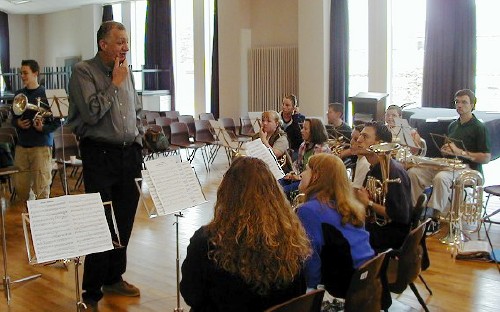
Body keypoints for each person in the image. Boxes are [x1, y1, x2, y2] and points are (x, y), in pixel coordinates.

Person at [67, 21, 143, 309]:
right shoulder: (83, 72)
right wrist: (114, 83)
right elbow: (90, 113)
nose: (126, 46)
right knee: (100, 223)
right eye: (120, 41)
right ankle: (91, 291)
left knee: (124, 220)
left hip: (129, 154)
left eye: (127, 41)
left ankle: (114, 277)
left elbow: (135, 109)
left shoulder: (126, 71)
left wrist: (139, 137)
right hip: (100, 155)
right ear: (103, 44)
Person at [180, 156, 311, 311]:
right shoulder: (289, 237)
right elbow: (299, 292)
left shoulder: (207, 241)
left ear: (227, 193)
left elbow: (191, 295)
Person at [296, 153, 375, 297]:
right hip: (366, 282)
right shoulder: (350, 206)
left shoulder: (309, 210)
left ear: (316, 176)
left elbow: (310, 257)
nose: (301, 174)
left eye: (306, 169)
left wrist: (309, 293)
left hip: (340, 287)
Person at [408, 89, 491, 221]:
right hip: (450, 165)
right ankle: (416, 211)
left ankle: (435, 216)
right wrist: (446, 150)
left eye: (464, 102)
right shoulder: (453, 125)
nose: (459, 105)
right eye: (457, 102)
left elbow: (486, 157)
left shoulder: (479, 127)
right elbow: (450, 151)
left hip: (468, 169)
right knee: (414, 172)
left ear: (472, 105)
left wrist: (461, 152)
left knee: (441, 178)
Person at [354, 121, 412, 252]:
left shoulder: (392, 172)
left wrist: (368, 203)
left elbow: (399, 215)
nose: (359, 139)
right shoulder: (374, 169)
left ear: (378, 144)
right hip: (379, 227)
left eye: (365, 136)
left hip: (389, 234)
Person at [11, 59, 60, 201]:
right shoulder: (19, 94)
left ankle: (41, 220)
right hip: (22, 146)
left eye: (25, 73)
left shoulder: (48, 94)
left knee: (42, 187)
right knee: (21, 188)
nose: (22, 76)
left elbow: (58, 121)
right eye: (21, 73)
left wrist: (43, 127)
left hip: (41, 146)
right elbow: (13, 118)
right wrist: (18, 123)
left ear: (35, 73)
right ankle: (29, 217)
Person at [280, 118, 330, 197]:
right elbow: (297, 165)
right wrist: (292, 174)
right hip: (300, 179)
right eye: (302, 128)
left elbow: (315, 175)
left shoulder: (322, 149)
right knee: (277, 183)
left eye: (305, 129)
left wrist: (299, 177)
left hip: (310, 184)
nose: (301, 131)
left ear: (314, 132)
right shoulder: (303, 145)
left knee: (282, 191)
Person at [280, 94, 305, 160]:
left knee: (293, 157)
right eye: (283, 104)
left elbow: (300, 139)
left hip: (294, 149)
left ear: (294, 108)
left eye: (287, 105)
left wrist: (295, 118)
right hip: (280, 147)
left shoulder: (300, 119)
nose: (284, 107)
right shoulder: (277, 117)